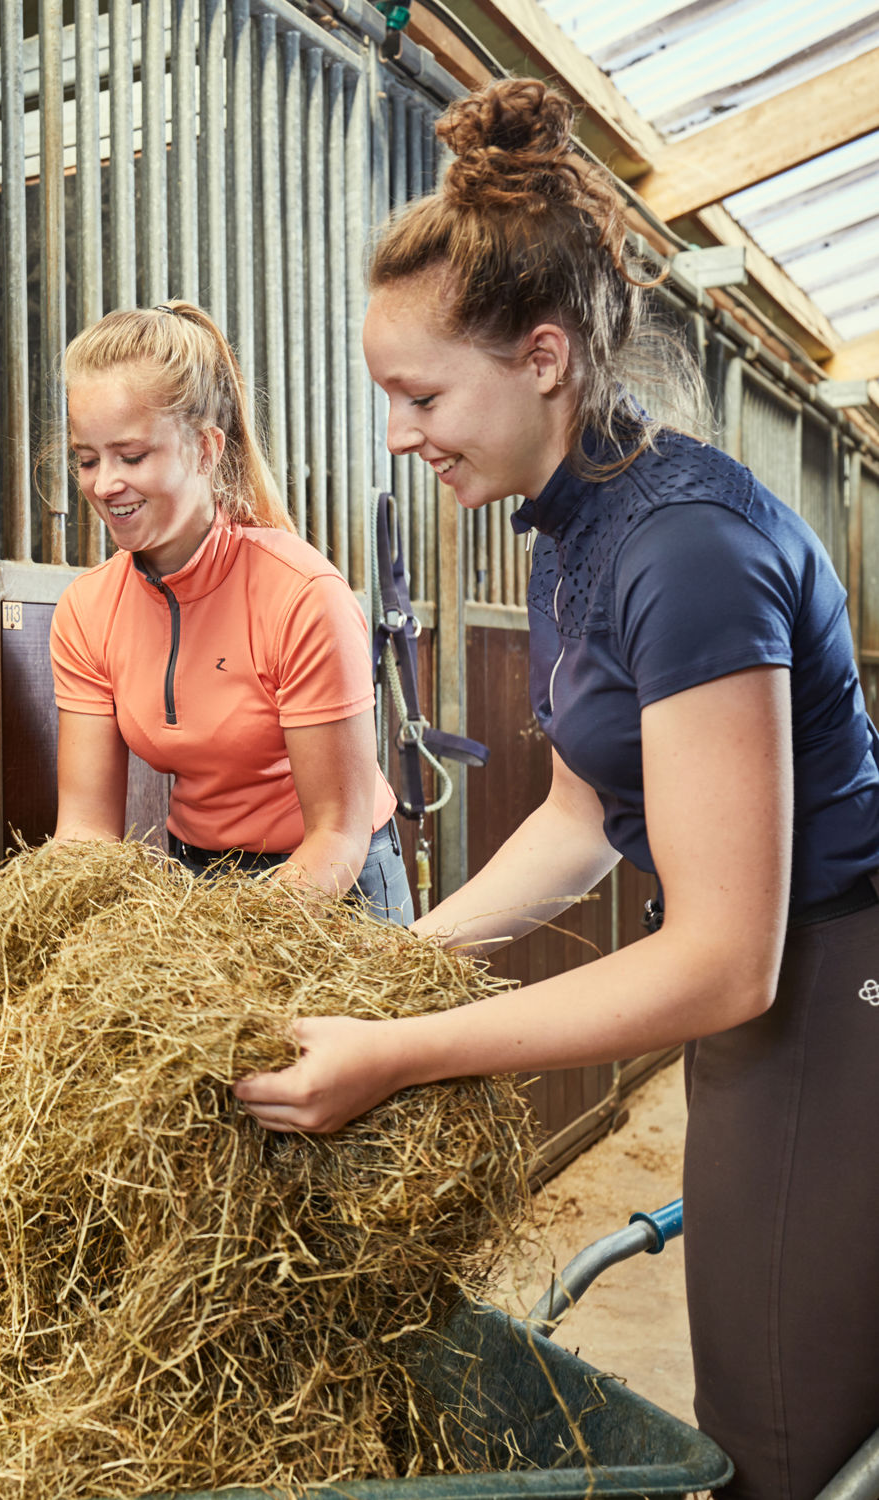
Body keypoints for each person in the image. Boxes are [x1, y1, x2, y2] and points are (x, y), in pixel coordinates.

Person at [233, 77, 879, 1500]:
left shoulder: (687, 550)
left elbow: (723, 958)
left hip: (838, 978)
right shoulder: (575, 523)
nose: (397, 435)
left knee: (778, 1431)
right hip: (775, 984)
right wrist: (405, 963)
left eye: (419, 397)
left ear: (543, 357)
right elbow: (582, 820)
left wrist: (403, 1052)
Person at [50, 301, 410, 922]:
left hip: (336, 878)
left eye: (131, 457)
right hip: (200, 875)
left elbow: (336, 833)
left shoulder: (303, 595)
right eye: (87, 459)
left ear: (206, 449)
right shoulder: (86, 611)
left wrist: (230, 942)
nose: (104, 484)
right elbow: (84, 829)